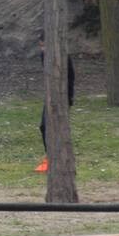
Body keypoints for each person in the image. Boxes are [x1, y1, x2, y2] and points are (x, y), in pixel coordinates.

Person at [37, 40, 75, 172]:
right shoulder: (43, 55)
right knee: (44, 126)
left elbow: (71, 76)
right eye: (40, 45)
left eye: (44, 45)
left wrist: (69, 97)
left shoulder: (64, 56)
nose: (42, 48)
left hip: (63, 96)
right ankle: (50, 156)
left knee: (59, 128)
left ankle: (62, 158)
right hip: (50, 97)